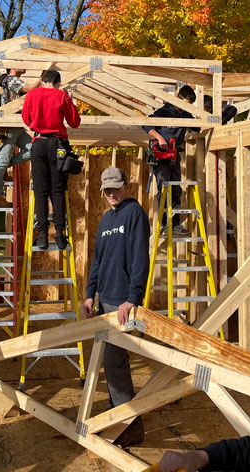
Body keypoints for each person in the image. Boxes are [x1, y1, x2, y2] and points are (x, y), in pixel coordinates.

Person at [83, 167, 150, 448]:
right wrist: (90, 294)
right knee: (110, 364)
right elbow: (98, 260)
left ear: (125, 186)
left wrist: (132, 298)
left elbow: (139, 258)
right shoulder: (106, 219)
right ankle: (118, 415)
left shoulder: (134, 214)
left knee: (115, 362)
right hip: (105, 300)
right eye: (107, 190)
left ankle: (130, 426)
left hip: (123, 300)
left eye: (116, 188)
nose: (111, 194)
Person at [22, 69, 81, 250]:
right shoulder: (61, 96)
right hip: (58, 145)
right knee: (57, 190)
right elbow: (74, 122)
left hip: (38, 143)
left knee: (41, 191)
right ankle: (61, 235)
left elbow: (26, 119)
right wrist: (69, 101)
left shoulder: (32, 95)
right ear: (58, 83)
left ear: (42, 81)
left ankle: (42, 237)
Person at [143, 85, 198, 235]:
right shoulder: (164, 111)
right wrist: (160, 137)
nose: (187, 106)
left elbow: (198, 127)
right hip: (161, 157)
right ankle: (163, 224)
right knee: (164, 187)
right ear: (179, 98)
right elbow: (146, 124)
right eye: (186, 103)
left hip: (174, 155)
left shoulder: (185, 115)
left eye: (190, 105)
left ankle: (174, 225)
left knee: (177, 189)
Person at [0, 68, 44, 207]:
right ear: (12, 67)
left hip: (17, 126)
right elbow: (30, 89)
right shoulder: (11, 79)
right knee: (3, 159)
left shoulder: (13, 80)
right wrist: (42, 77)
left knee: (34, 149)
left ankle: (2, 165)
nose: (24, 67)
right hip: (10, 126)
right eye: (21, 63)